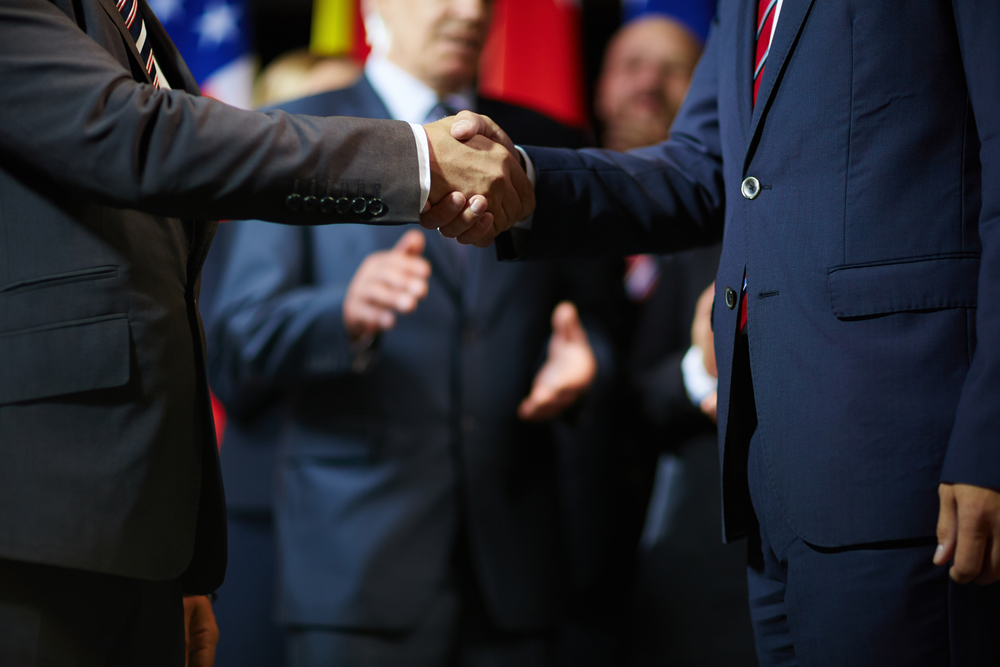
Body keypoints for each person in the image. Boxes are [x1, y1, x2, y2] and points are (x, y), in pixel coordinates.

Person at [434, 0, 1000, 663]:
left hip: (914, 459)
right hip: (772, 481)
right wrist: (523, 182)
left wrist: (990, 440)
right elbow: (704, 167)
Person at [0, 0, 528, 663]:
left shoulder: (132, 23)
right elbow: (137, 137)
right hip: (35, 521)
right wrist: (412, 158)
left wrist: (186, 563)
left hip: (141, 538)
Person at [205, 0, 619, 665]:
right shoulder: (297, 131)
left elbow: (601, 317)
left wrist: (588, 359)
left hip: (517, 580)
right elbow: (233, 341)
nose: (468, 11)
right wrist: (340, 313)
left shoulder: (555, 143)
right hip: (356, 575)